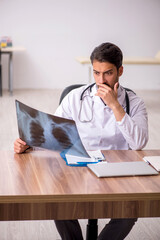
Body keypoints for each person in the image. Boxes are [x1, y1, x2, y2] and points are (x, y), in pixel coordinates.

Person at [14, 42, 148, 240]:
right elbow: (53, 132)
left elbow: (139, 143)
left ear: (120, 70)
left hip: (117, 171)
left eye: (108, 73)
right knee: (58, 202)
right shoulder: (75, 98)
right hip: (79, 167)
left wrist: (115, 106)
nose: (101, 80)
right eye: (96, 73)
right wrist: (28, 143)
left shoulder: (134, 103)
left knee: (129, 211)